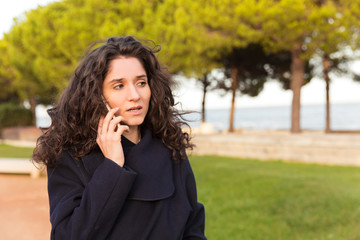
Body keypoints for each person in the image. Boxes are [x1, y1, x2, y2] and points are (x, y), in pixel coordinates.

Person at [32, 36, 206, 240]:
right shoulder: (69, 156)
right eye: (118, 86)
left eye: (141, 82)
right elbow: (69, 235)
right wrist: (112, 166)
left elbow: (192, 226)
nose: (135, 95)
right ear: (94, 96)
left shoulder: (169, 146)